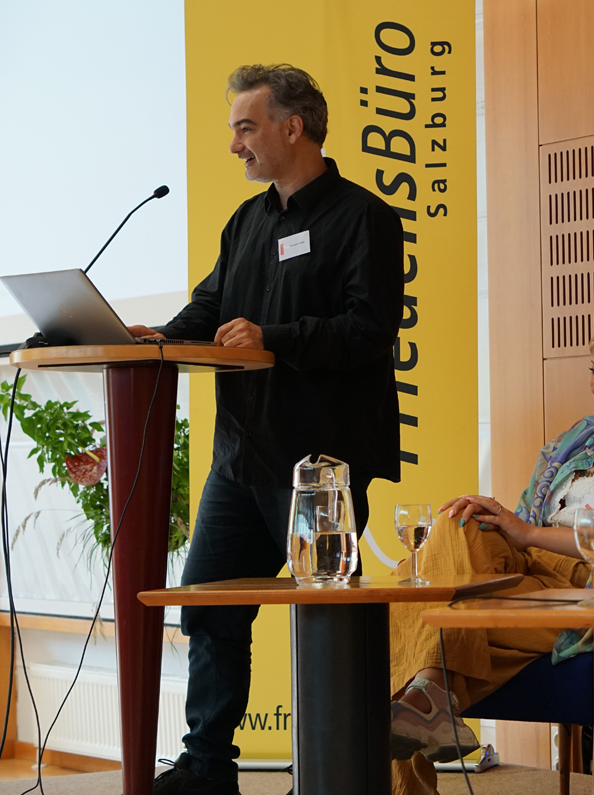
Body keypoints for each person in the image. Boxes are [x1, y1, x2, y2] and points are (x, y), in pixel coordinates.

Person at [137, 64, 404, 795]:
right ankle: (206, 768)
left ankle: (331, 773)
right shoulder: (247, 220)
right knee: (207, 609)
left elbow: (369, 329)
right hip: (241, 455)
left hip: (319, 463)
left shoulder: (364, 218)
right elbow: (211, 305)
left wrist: (273, 338)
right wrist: (158, 338)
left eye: (245, 128)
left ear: (293, 127)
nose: (235, 145)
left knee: (327, 623)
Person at [386, 309, 594, 795]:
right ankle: (431, 693)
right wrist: (500, 520)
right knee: (457, 519)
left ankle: (428, 694)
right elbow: (520, 523)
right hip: (525, 574)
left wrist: (528, 534)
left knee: (406, 619)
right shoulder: (578, 438)